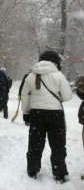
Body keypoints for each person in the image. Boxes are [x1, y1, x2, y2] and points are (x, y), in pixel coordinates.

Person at [21, 50, 72, 183]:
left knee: (35, 143)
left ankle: (32, 170)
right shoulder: (58, 75)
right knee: (58, 144)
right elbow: (67, 96)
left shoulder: (31, 76)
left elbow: (25, 95)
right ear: (55, 61)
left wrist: (26, 112)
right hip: (55, 114)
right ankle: (59, 172)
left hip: (36, 114)